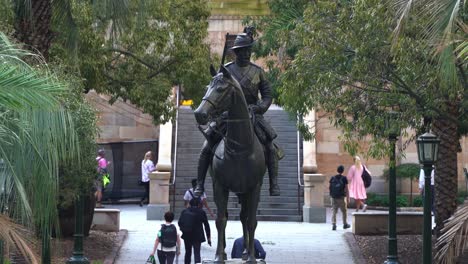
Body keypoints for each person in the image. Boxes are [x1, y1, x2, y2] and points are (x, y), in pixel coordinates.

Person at [194, 26, 282, 197]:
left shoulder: (258, 72)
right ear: (236, 52)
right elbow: (217, 91)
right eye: (242, 51)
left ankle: (274, 183)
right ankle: (199, 184)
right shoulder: (226, 70)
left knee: (270, 147)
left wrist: (258, 107)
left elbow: (267, 95)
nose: (246, 54)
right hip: (227, 116)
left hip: (253, 115)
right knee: (206, 147)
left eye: (248, 50)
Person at [178, 198, 211, 264]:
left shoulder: (185, 211)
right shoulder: (201, 212)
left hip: (187, 234)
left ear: (190, 203)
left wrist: (183, 230)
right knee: (197, 252)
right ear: (199, 204)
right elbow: (206, 225)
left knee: (187, 252)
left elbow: (180, 222)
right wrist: (208, 237)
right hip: (198, 235)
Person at [329, 165, 351, 230]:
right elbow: (347, 189)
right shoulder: (344, 178)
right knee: (344, 211)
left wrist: (331, 195)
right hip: (341, 197)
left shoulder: (332, 178)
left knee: (334, 211)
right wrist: (348, 197)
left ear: (337, 170)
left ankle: (334, 224)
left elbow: (330, 188)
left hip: (333, 197)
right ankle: (345, 224)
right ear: (343, 171)